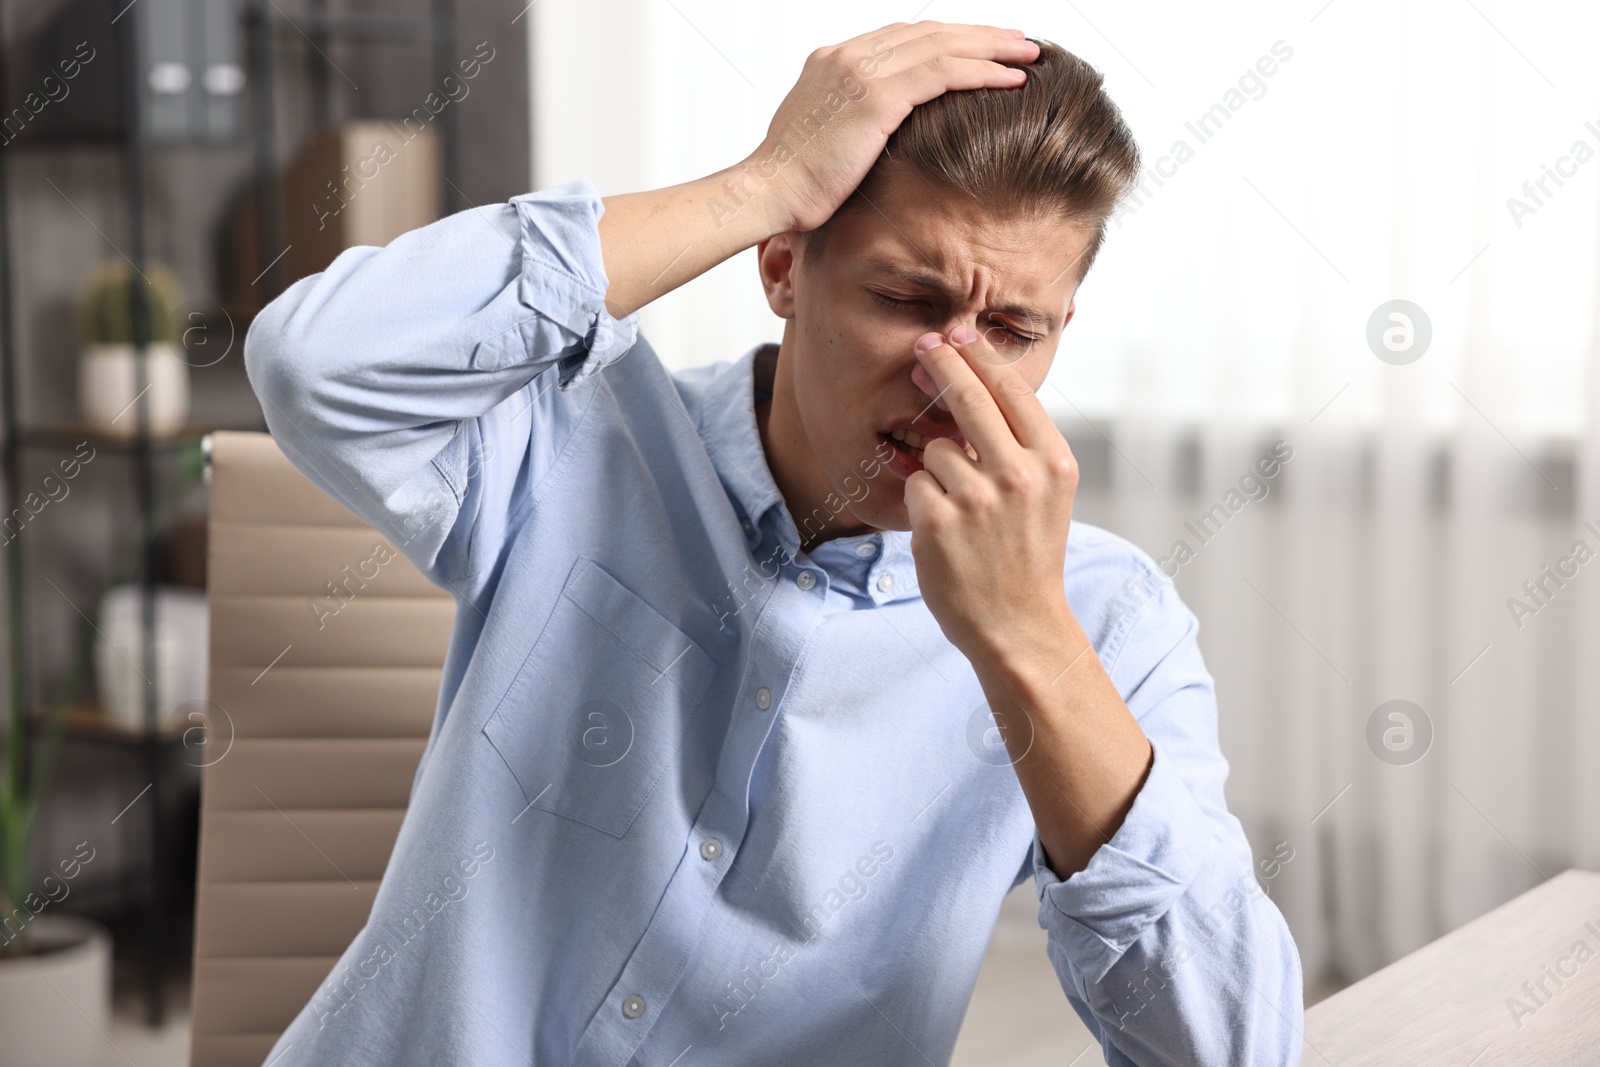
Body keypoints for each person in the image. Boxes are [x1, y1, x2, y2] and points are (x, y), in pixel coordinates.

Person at [244, 21, 1304, 1067]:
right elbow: (315, 365)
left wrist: (1027, 641)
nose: (954, 379)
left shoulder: (1108, 622)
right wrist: (764, 178)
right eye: (905, 299)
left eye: (1014, 332)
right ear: (783, 266)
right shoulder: (580, 431)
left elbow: (1231, 1048)